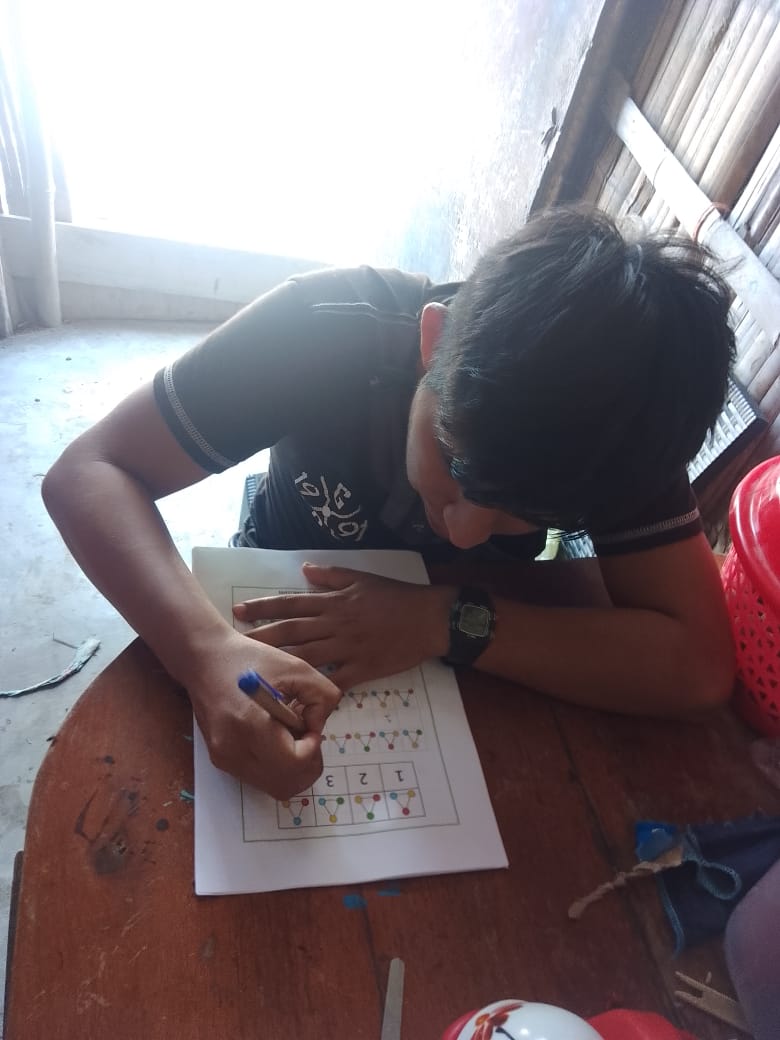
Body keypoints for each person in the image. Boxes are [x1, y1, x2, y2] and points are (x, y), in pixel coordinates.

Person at [42, 207, 737, 800]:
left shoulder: (617, 426)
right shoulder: (325, 329)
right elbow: (88, 471)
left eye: (530, 517)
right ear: (433, 341)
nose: (464, 533)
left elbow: (700, 666)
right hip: (277, 597)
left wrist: (447, 620)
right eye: (456, 466)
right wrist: (204, 652)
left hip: (475, 658)